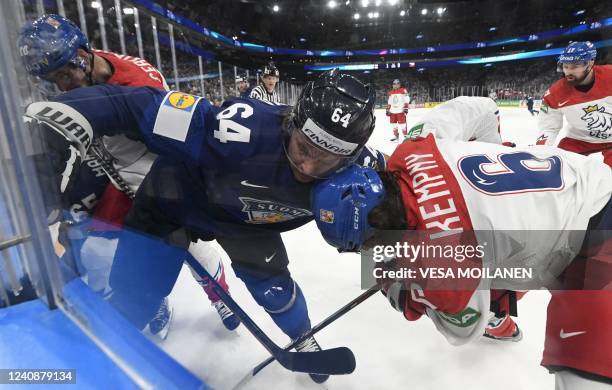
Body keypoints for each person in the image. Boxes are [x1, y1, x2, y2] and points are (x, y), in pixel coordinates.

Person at [25, 69, 385, 383]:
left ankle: (303, 336)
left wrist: (399, 256)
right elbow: (137, 106)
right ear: (291, 122)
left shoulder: (364, 172)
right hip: (173, 203)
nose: (307, 167)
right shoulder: (239, 127)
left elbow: (408, 199)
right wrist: (69, 117)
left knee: (275, 290)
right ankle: (89, 369)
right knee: (134, 298)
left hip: (246, 224)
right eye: (304, 148)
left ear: (352, 158)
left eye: (327, 160)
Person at [312, 134, 611, 388]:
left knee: (581, 376)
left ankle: (498, 315)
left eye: (367, 244)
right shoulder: (411, 149)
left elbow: (465, 327)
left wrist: (400, 289)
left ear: (378, 228)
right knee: (494, 259)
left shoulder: (440, 263)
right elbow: (476, 109)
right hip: (584, 178)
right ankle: (501, 315)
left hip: (596, 234)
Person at [18, 14, 240, 333]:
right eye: (54, 79)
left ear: (83, 52)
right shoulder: (93, 75)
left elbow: (175, 140)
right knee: (102, 244)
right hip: (118, 177)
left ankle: (219, 294)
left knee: (189, 242)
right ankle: (152, 297)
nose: (63, 85)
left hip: (160, 172)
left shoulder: (136, 83)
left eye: (66, 71)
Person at [536, 41, 611, 165]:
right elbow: (549, 128)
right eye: (566, 67)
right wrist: (540, 150)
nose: (569, 72)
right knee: (560, 166)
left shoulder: (609, 76)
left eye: (575, 67)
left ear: (591, 63)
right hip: (579, 139)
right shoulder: (554, 93)